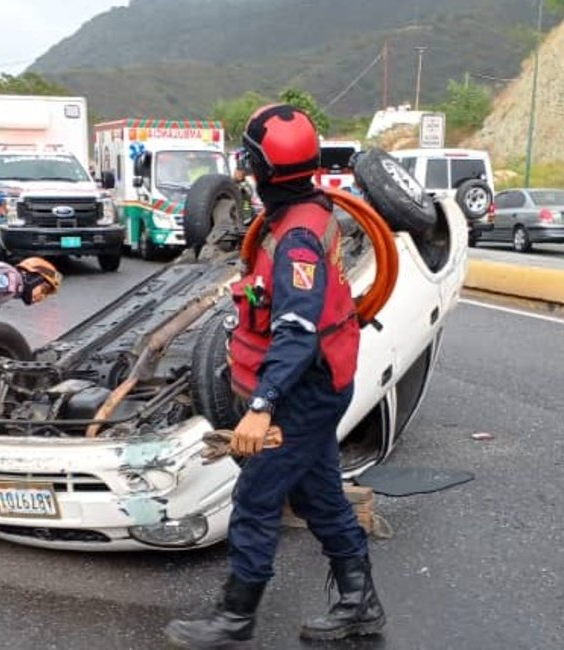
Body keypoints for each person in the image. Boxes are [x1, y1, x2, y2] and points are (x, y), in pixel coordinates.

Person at [165, 105, 385, 648]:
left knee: (257, 499)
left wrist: (262, 407)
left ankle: (235, 618)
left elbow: (297, 330)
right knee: (319, 497)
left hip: (302, 391)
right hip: (312, 384)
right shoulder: (299, 214)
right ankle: (360, 602)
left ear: (260, 168)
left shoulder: (299, 239)